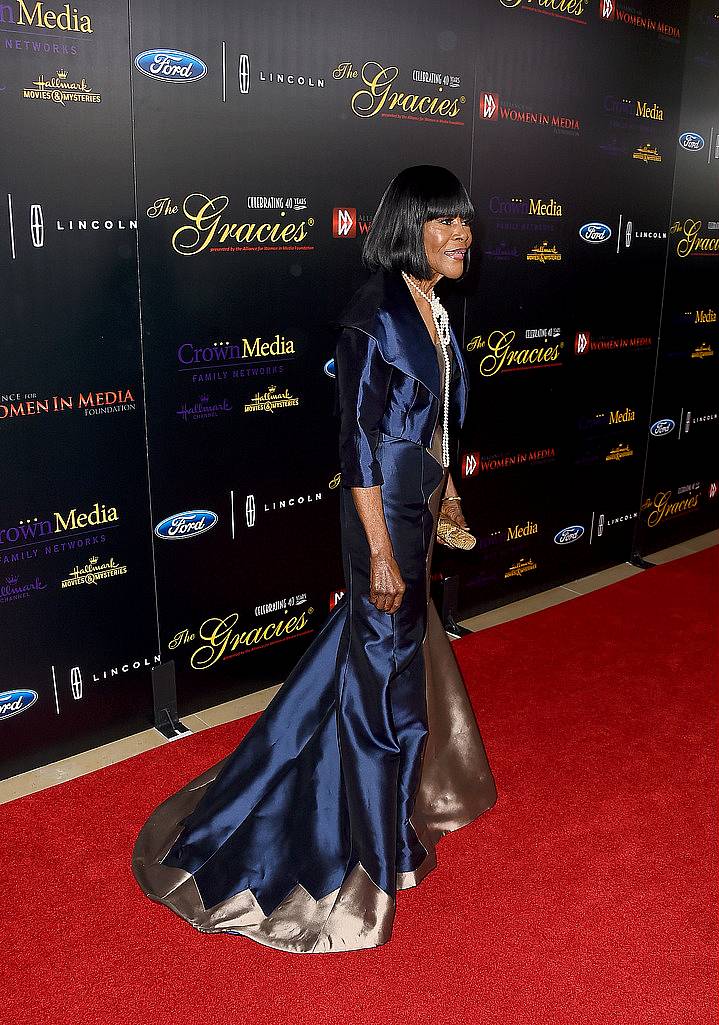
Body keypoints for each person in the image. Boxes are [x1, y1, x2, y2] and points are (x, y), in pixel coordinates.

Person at [132, 165, 498, 954]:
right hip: (381, 521)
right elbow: (360, 446)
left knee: (380, 661)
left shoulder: (428, 304)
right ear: (409, 227)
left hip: (413, 509)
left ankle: (380, 811)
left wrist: (447, 500)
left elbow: (428, 428)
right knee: (380, 686)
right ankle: (365, 861)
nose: (461, 234)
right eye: (444, 221)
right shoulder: (372, 319)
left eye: (464, 221)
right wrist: (380, 555)